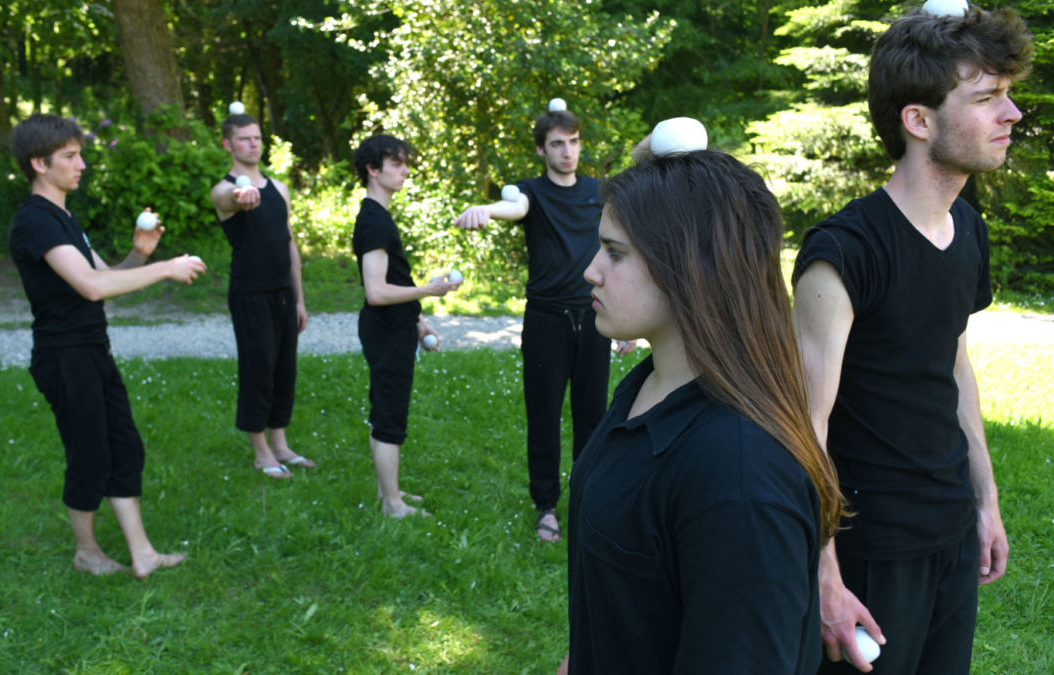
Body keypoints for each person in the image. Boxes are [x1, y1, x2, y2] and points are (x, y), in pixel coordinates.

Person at [791, 6, 1032, 673]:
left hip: (951, 531)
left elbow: (951, 362)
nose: (1011, 114)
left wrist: (985, 502)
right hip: (873, 548)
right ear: (918, 121)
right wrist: (826, 576)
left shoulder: (968, 230)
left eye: (1007, 95)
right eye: (987, 98)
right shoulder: (842, 253)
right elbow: (803, 422)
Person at [557, 126, 843, 674]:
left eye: (614, 253)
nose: (590, 270)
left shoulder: (739, 478)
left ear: (688, 266)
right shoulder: (646, 386)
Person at [8, 113, 205, 577]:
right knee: (89, 451)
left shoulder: (62, 217)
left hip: (92, 349)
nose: (81, 165)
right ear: (39, 163)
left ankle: (143, 555)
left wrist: (141, 254)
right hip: (63, 356)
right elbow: (90, 287)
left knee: (124, 444)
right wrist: (166, 269)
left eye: (80, 154)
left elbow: (105, 275)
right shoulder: (35, 221)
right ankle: (87, 553)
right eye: (70, 157)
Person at [455, 101, 634, 542]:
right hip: (545, 322)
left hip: (592, 317)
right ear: (541, 150)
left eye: (573, 142)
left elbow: (619, 252)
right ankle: (546, 507)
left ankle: (588, 499)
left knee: (593, 416)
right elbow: (513, 207)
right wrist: (487, 210)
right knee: (544, 416)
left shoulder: (600, 192)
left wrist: (627, 322)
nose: (567, 152)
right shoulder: (527, 191)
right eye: (557, 144)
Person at [352, 134, 460, 518]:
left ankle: (388, 493)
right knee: (389, 415)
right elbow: (377, 292)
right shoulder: (374, 223)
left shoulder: (377, 217)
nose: (406, 171)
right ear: (373, 169)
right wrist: (430, 290)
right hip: (384, 331)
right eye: (397, 164)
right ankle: (393, 505)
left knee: (386, 409)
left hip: (394, 327)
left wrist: (418, 320)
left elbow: (392, 280)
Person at [211, 110, 314, 478]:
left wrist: (299, 299)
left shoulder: (279, 189)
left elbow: (289, 246)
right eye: (244, 139)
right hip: (249, 293)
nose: (253, 144)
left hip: (283, 294)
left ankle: (281, 445)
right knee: (258, 370)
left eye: (257, 137)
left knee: (284, 369)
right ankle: (260, 452)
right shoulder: (225, 189)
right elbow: (229, 199)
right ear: (228, 144)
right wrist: (242, 194)